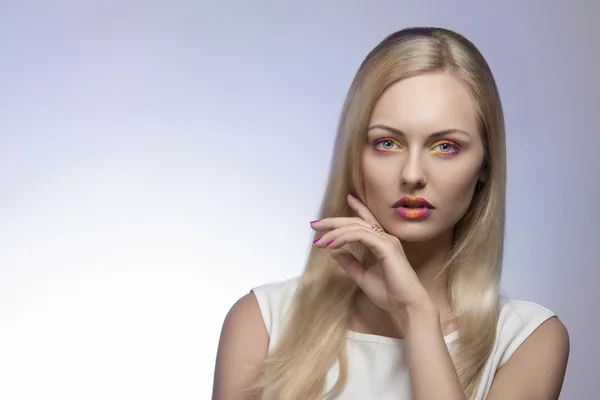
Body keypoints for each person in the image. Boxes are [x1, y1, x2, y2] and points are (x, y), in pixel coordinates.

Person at [211, 27, 569, 400]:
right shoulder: (264, 321)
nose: (412, 175)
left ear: (485, 166)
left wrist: (417, 315)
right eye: (387, 143)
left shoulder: (528, 340)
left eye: (445, 146)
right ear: (354, 156)